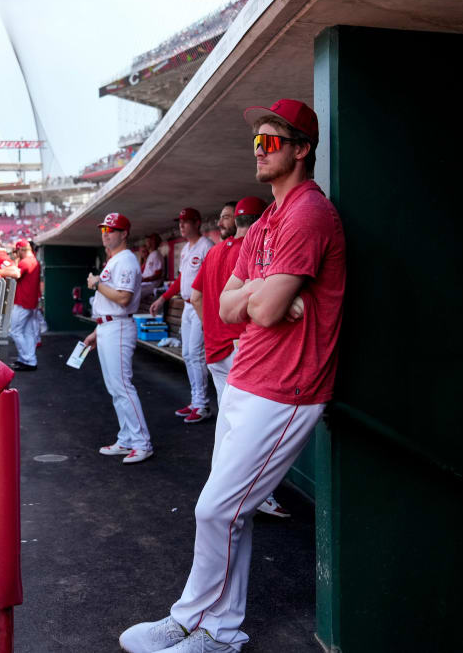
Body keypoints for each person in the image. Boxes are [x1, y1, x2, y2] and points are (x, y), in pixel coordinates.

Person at [119, 98, 345, 652]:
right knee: (229, 511)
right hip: (247, 377)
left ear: (301, 150)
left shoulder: (309, 212)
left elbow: (262, 311)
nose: (259, 150)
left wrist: (262, 299)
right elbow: (225, 305)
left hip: (288, 388)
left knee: (217, 508)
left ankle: (207, 626)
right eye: (256, 141)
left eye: (270, 141)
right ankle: (206, 625)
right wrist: (259, 296)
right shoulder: (267, 219)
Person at [190, 197, 297, 520]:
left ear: (235, 222)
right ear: (262, 218)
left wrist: (212, 327)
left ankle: (221, 491)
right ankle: (256, 494)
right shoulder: (251, 249)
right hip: (240, 347)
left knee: (228, 423)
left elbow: (195, 297)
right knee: (246, 427)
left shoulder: (213, 252)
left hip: (215, 348)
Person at [84, 213, 152, 465]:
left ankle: (142, 443)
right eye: (104, 229)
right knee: (116, 388)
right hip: (108, 326)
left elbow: (123, 298)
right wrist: (97, 330)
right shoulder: (117, 259)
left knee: (122, 386)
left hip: (119, 326)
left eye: (111, 230)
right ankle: (127, 438)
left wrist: (95, 284)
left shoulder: (126, 260)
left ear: (124, 233)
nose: (106, 233)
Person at [150, 208, 214, 424]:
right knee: (187, 353)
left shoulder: (207, 246)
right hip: (187, 305)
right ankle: (196, 401)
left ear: (198, 223)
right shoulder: (187, 248)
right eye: (180, 222)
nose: (182, 225)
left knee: (195, 354)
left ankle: (202, 404)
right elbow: (179, 280)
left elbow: (212, 280)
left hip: (200, 305)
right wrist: (162, 299)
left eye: (186, 222)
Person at [9, 239, 41, 371]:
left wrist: (14, 260)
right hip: (30, 302)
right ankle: (29, 360)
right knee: (27, 332)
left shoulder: (25, 261)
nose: (16, 254)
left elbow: (15, 274)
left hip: (23, 302)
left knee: (15, 331)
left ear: (21, 250)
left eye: (17, 251)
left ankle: (27, 358)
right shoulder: (34, 260)